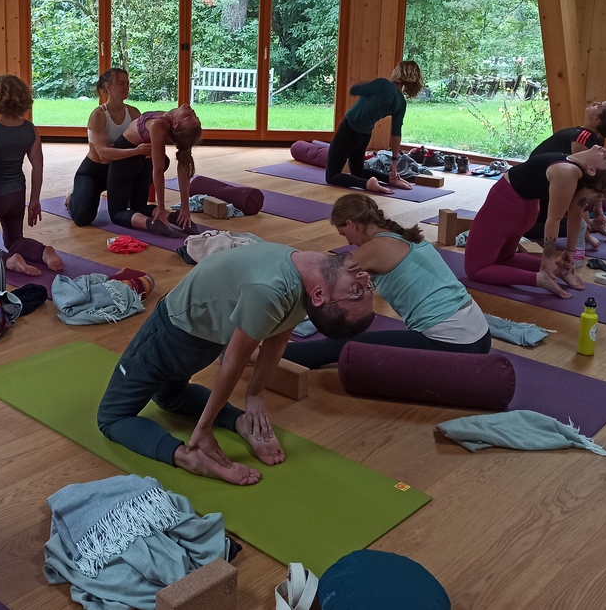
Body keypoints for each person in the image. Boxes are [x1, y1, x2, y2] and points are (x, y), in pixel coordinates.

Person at [97, 243, 376, 485]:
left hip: (175, 333)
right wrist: (253, 395)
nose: (363, 277)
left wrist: (204, 428)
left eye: (356, 291)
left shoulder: (276, 288)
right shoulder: (305, 279)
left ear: (319, 296)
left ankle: (189, 457)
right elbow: (276, 340)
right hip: (206, 338)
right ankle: (242, 422)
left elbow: (240, 356)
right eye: (366, 288)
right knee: (169, 396)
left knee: (112, 418)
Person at [283, 193, 491, 369]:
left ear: (351, 224)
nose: (348, 242)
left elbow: (318, 274)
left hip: (453, 345)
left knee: (343, 346)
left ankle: (270, 355)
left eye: (344, 234)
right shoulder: (404, 236)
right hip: (480, 335)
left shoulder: (376, 248)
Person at [464, 144, 606, 298]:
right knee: (504, 259)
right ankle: (559, 270)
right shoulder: (577, 172)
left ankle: (540, 278)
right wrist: (569, 252)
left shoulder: (567, 171)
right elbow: (576, 215)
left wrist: (547, 259)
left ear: (592, 169)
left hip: (505, 208)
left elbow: (555, 219)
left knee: (475, 270)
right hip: (523, 210)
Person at [0, 74, 63, 275]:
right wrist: (35, 200)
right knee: (14, 240)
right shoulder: (30, 129)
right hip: (16, 195)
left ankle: (10, 261)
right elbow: (38, 166)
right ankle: (44, 252)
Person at [525, 100, 606, 246]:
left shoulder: (584, 138)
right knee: (563, 222)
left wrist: (595, 215)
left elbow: (583, 186)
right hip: (537, 191)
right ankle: (588, 227)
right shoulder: (591, 138)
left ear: (597, 119)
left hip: (544, 193)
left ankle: (587, 228)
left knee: (569, 222)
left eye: (599, 105)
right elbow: (585, 185)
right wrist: (591, 220)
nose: (595, 102)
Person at [65, 68, 151, 226]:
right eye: (121, 83)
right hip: (94, 172)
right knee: (82, 218)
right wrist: (136, 151)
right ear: (108, 86)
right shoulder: (98, 115)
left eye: (127, 83)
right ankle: (74, 196)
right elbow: (103, 154)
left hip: (119, 173)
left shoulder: (133, 113)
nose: (126, 87)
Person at [326, 60, 424, 195]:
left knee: (332, 176)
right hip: (364, 136)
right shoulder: (401, 102)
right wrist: (394, 163)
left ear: (398, 73)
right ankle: (389, 179)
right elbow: (396, 133)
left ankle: (367, 184)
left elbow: (354, 90)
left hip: (348, 130)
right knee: (358, 171)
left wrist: (363, 84)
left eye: (395, 68)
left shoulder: (384, 84)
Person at [106, 104, 202, 237]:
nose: (190, 109)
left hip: (126, 157)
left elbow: (159, 171)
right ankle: (172, 217)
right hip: (143, 159)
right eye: (193, 114)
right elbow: (160, 169)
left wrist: (168, 208)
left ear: (175, 124)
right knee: (139, 207)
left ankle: (151, 223)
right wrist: (182, 207)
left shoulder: (160, 125)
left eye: (188, 116)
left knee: (116, 213)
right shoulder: (179, 129)